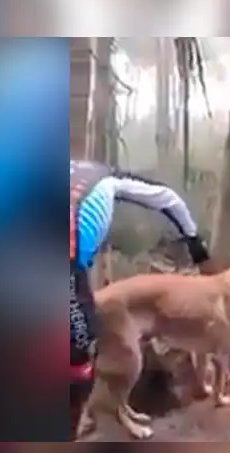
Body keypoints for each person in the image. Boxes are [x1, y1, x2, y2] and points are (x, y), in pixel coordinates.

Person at [69, 160, 215, 380]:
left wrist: (196, 246)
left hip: (72, 245)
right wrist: (194, 243)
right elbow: (170, 200)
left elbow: (168, 200)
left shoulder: (108, 181)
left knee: (79, 347)